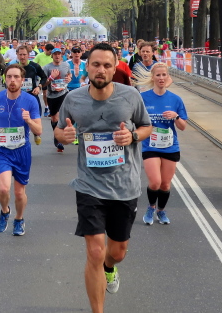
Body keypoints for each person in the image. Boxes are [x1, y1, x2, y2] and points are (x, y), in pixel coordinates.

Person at [54, 43, 152, 313]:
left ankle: (110, 267)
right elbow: (59, 131)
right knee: (95, 252)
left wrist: (132, 136)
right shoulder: (73, 98)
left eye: (107, 65)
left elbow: (146, 126)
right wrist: (64, 136)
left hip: (125, 185)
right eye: (96, 64)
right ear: (87, 66)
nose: (101, 70)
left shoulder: (130, 96)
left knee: (117, 252)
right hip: (89, 185)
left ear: (115, 67)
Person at [0, 64, 42, 236]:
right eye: (9, 76)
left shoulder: (30, 101)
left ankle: (19, 219)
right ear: (5, 78)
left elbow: (39, 130)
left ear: (22, 80)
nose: (12, 80)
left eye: (16, 77)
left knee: (19, 193)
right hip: (2, 149)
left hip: (22, 150)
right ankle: (5, 211)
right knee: (4, 189)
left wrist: (29, 121)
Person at [135, 62, 187, 225]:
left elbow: (183, 126)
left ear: (168, 77)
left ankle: (161, 211)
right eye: (158, 75)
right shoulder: (143, 98)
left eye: (164, 75)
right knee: (155, 182)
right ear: (153, 77)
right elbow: (135, 119)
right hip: (150, 146)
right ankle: (151, 207)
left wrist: (175, 116)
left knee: (165, 184)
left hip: (170, 147)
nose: (161, 78)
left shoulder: (175, 99)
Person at [15, 45, 47, 145]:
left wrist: (39, 87)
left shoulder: (34, 66)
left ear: (28, 55)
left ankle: (35, 133)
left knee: (34, 118)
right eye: (20, 54)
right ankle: (23, 139)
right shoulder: (14, 67)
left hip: (32, 96)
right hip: (18, 97)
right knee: (19, 119)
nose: (22, 57)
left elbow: (44, 77)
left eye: (24, 54)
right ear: (17, 55)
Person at [43, 48, 71, 152]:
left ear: (61, 55)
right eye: (55, 54)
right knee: (54, 118)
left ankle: (59, 139)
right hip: (52, 95)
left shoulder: (66, 65)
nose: (57, 56)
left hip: (63, 93)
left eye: (59, 54)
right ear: (52, 56)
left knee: (60, 116)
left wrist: (69, 78)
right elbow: (43, 84)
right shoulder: (47, 67)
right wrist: (51, 77)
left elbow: (69, 75)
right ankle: (56, 136)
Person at [34, 43, 54, 116]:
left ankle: (52, 108)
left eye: (51, 52)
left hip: (53, 77)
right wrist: (39, 68)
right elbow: (34, 63)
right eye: (49, 52)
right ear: (45, 50)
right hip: (44, 77)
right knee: (45, 93)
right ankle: (46, 106)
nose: (50, 53)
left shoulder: (53, 56)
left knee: (52, 93)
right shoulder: (39, 55)